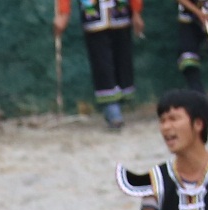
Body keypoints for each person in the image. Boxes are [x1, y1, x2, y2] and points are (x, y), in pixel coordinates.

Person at [57, 0, 148, 129]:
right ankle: (112, 110)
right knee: (101, 63)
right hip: (93, 14)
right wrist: (63, 13)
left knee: (123, 61)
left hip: (120, 12)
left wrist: (136, 11)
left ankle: (117, 105)